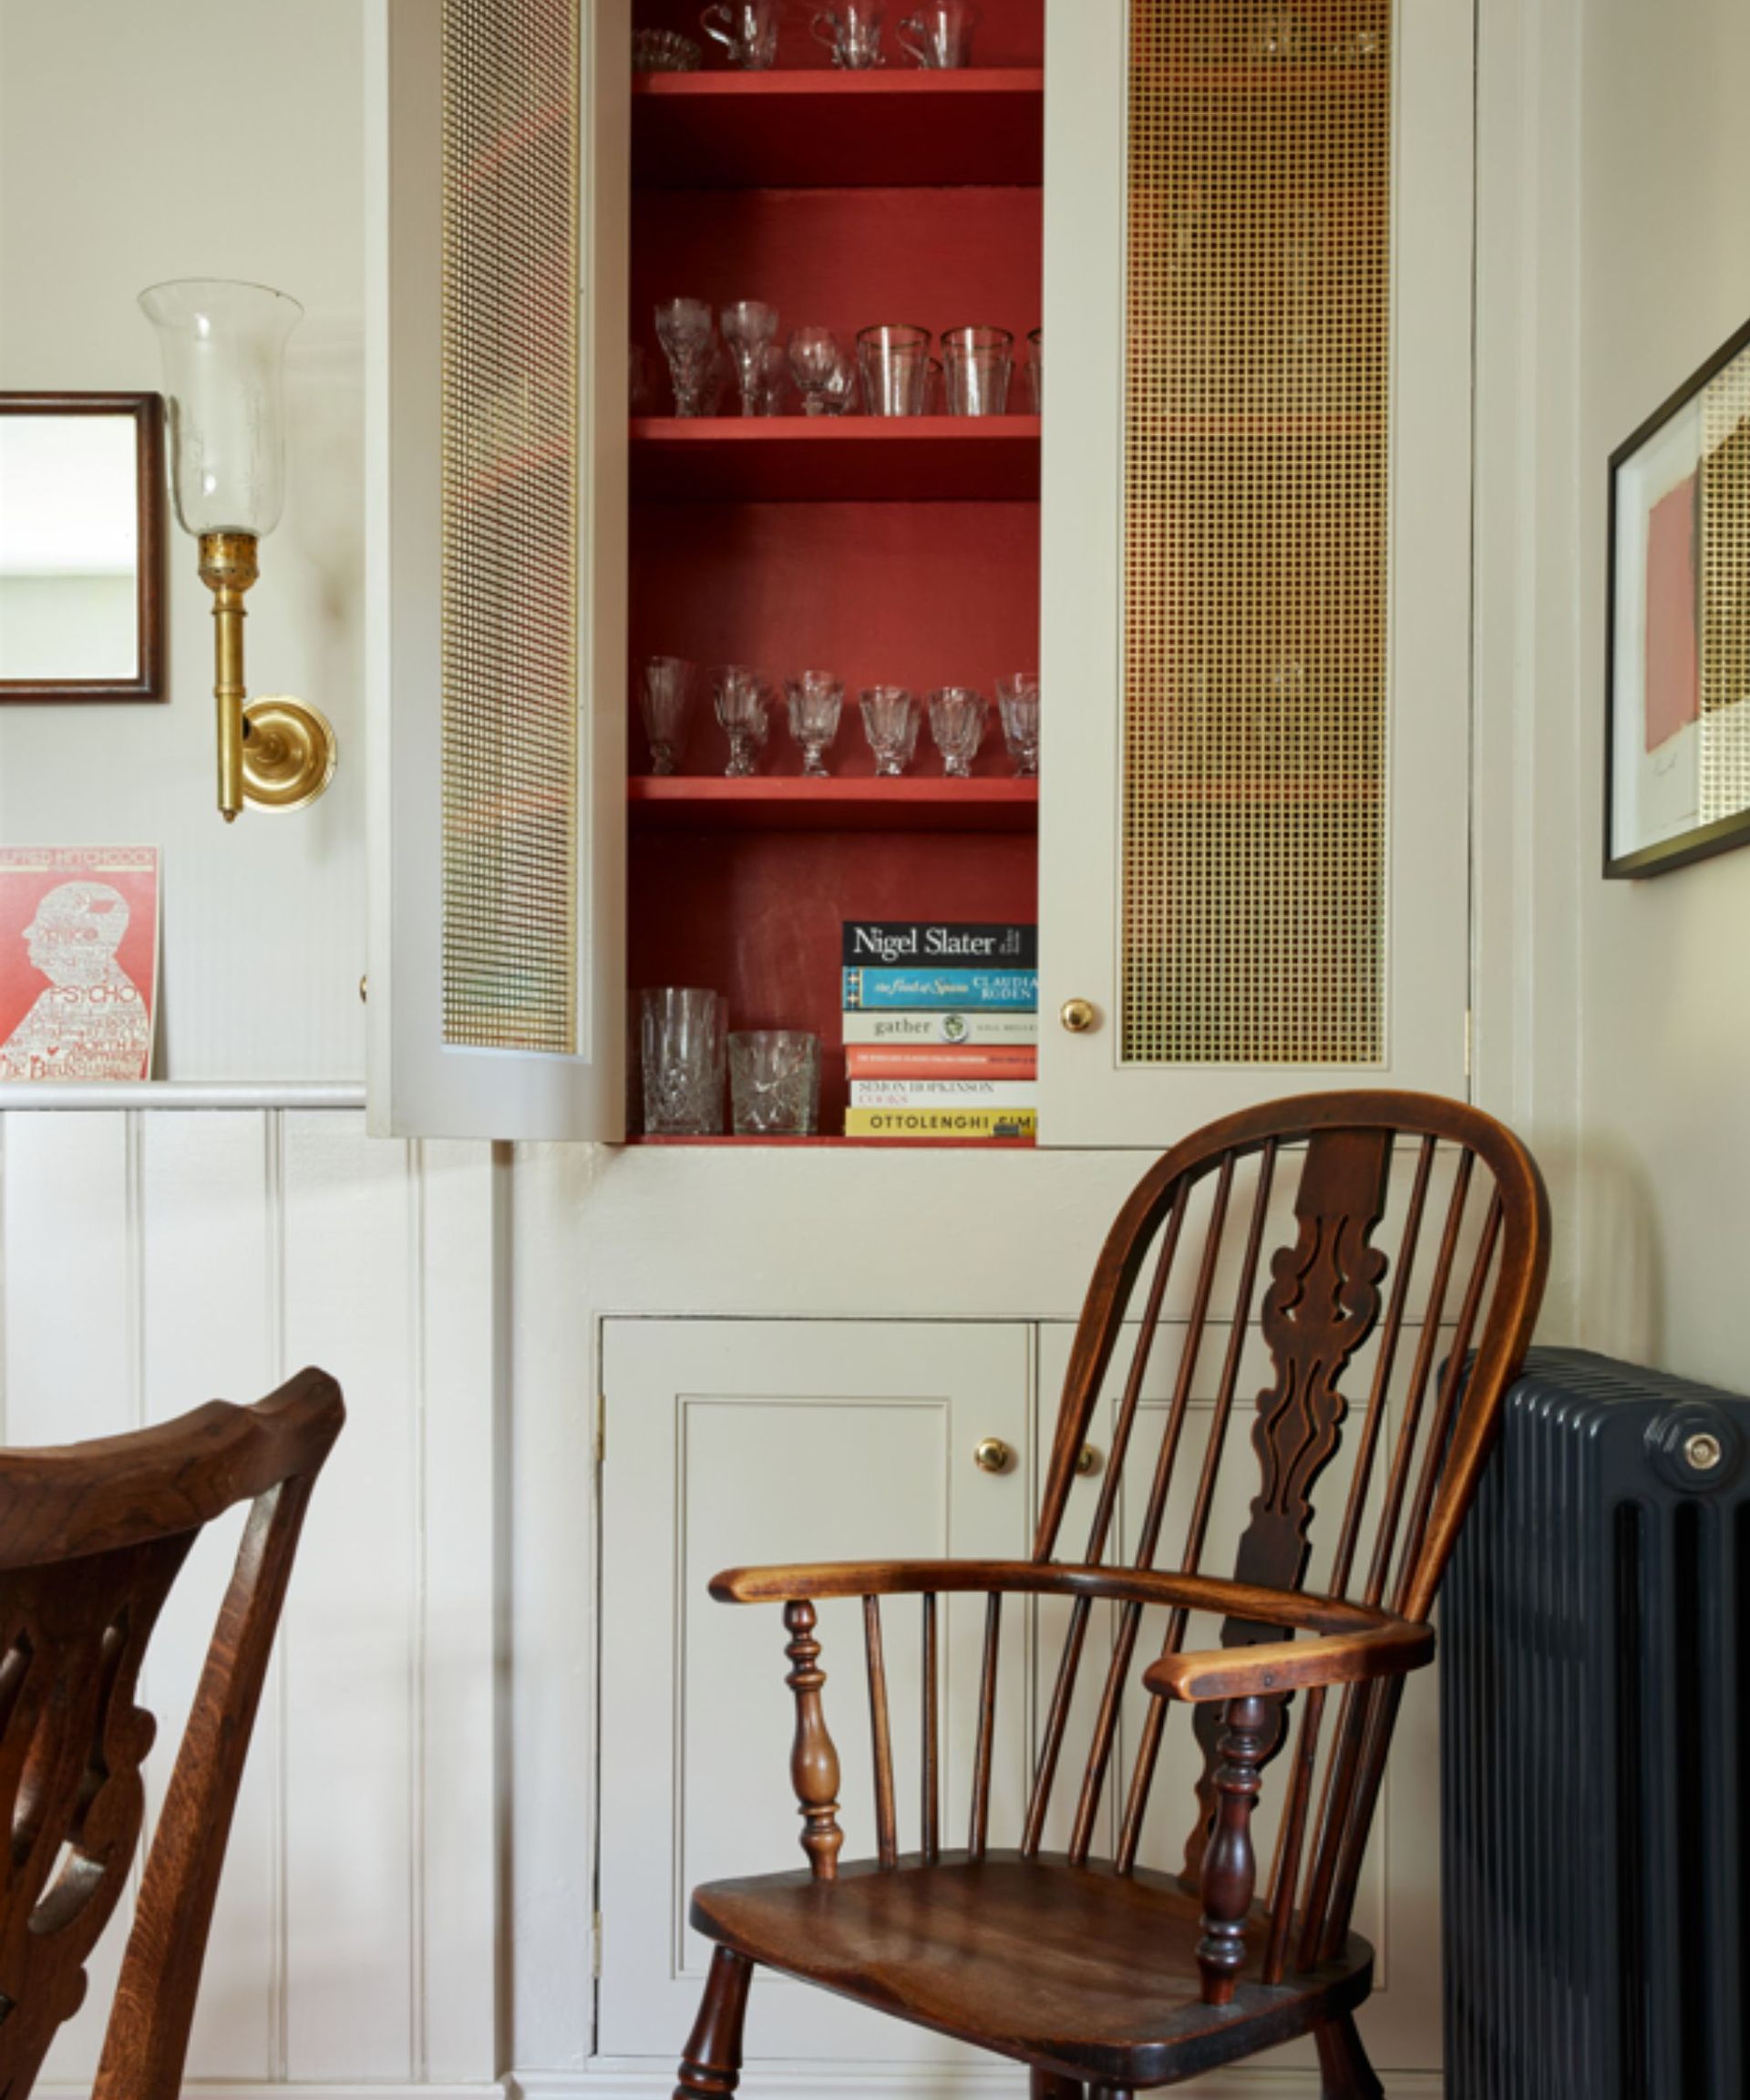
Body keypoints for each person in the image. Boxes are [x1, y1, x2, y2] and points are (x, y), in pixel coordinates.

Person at [0, 880, 150, 1080]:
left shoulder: (62, 1002)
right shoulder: (120, 996)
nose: (27, 934)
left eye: (45, 929)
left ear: (85, 938)